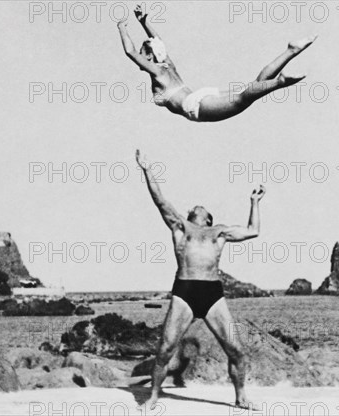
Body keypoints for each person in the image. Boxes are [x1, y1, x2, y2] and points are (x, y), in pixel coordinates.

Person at [135, 149, 266, 410]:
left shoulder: (219, 232)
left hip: (213, 294)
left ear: (208, 218)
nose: (196, 206)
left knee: (237, 351)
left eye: (201, 208)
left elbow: (253, 231)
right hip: (185, 291)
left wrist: (254, 202)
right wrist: (147, 170)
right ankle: (152, 397)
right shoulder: (180, 227)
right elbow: (160, 200)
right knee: (164, 350)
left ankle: (241, 397)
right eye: (194, 207)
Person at [118, 5, 317, 122]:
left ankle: (279, 82)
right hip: (200, 96)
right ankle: (291, 51)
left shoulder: (158, 73)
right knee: (250, 90)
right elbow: (158, 42)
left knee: (242, 100)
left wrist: (122, 28)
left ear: (150, 58)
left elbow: (130, 51)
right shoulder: (167, 65)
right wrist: (144, 22)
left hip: (195, 106)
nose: (142, 59)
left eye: (144, 55)